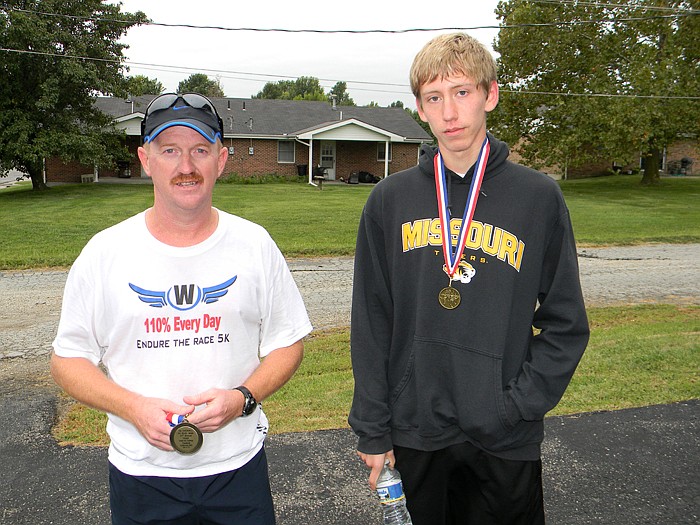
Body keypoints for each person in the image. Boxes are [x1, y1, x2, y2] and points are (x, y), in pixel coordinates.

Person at [349, 33, 590, 525]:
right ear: (419, 108)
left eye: (462, 92)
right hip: (415, 430)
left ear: (490, 95)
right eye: (434, 98)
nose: (450, 112)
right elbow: (372, 322)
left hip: (504, 436)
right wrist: (373, 428)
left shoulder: (537, 197)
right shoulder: (389, 201)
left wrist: (514, 406)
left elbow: (566, 323)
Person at [51, 93, 312, 525]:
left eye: (200, 150)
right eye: (169, 150)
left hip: (237, 472)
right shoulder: (105, 253)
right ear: (145, 159)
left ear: (222, 160)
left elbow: (288, 343)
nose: (185, 166)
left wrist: (242, 398)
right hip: (142, 476)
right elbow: (67, 360)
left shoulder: (254, 245)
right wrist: (132, 407)